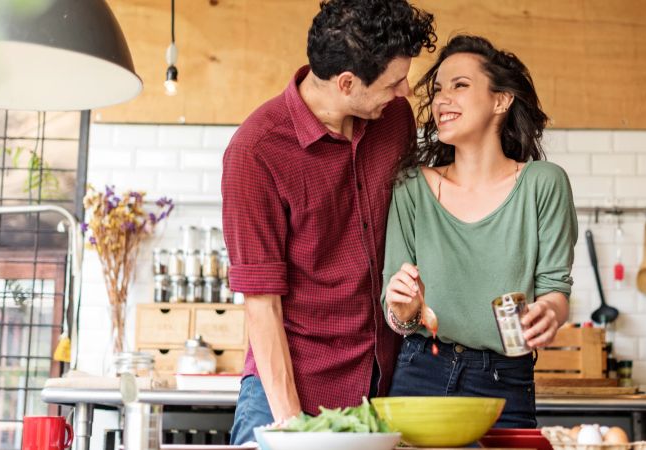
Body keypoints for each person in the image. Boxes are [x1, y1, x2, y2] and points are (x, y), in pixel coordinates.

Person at [221, 0, 436, 444]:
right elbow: (261, 305)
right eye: (395, 81)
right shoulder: (255, 153)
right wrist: (294, 427)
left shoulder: (392, 120)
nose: (406, 92)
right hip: (289, 390)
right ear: (346, 83)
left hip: (381, 387)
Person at [382, 35, 578, 428]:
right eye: (438, 89)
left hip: (504, 378)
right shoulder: (411, 189)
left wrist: (549, 313)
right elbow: (397, 311)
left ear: (501, 101)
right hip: (421, 370)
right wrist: (403, 310)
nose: (441, 99)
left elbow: (555, 288)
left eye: (460, 85)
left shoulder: (544, 183)